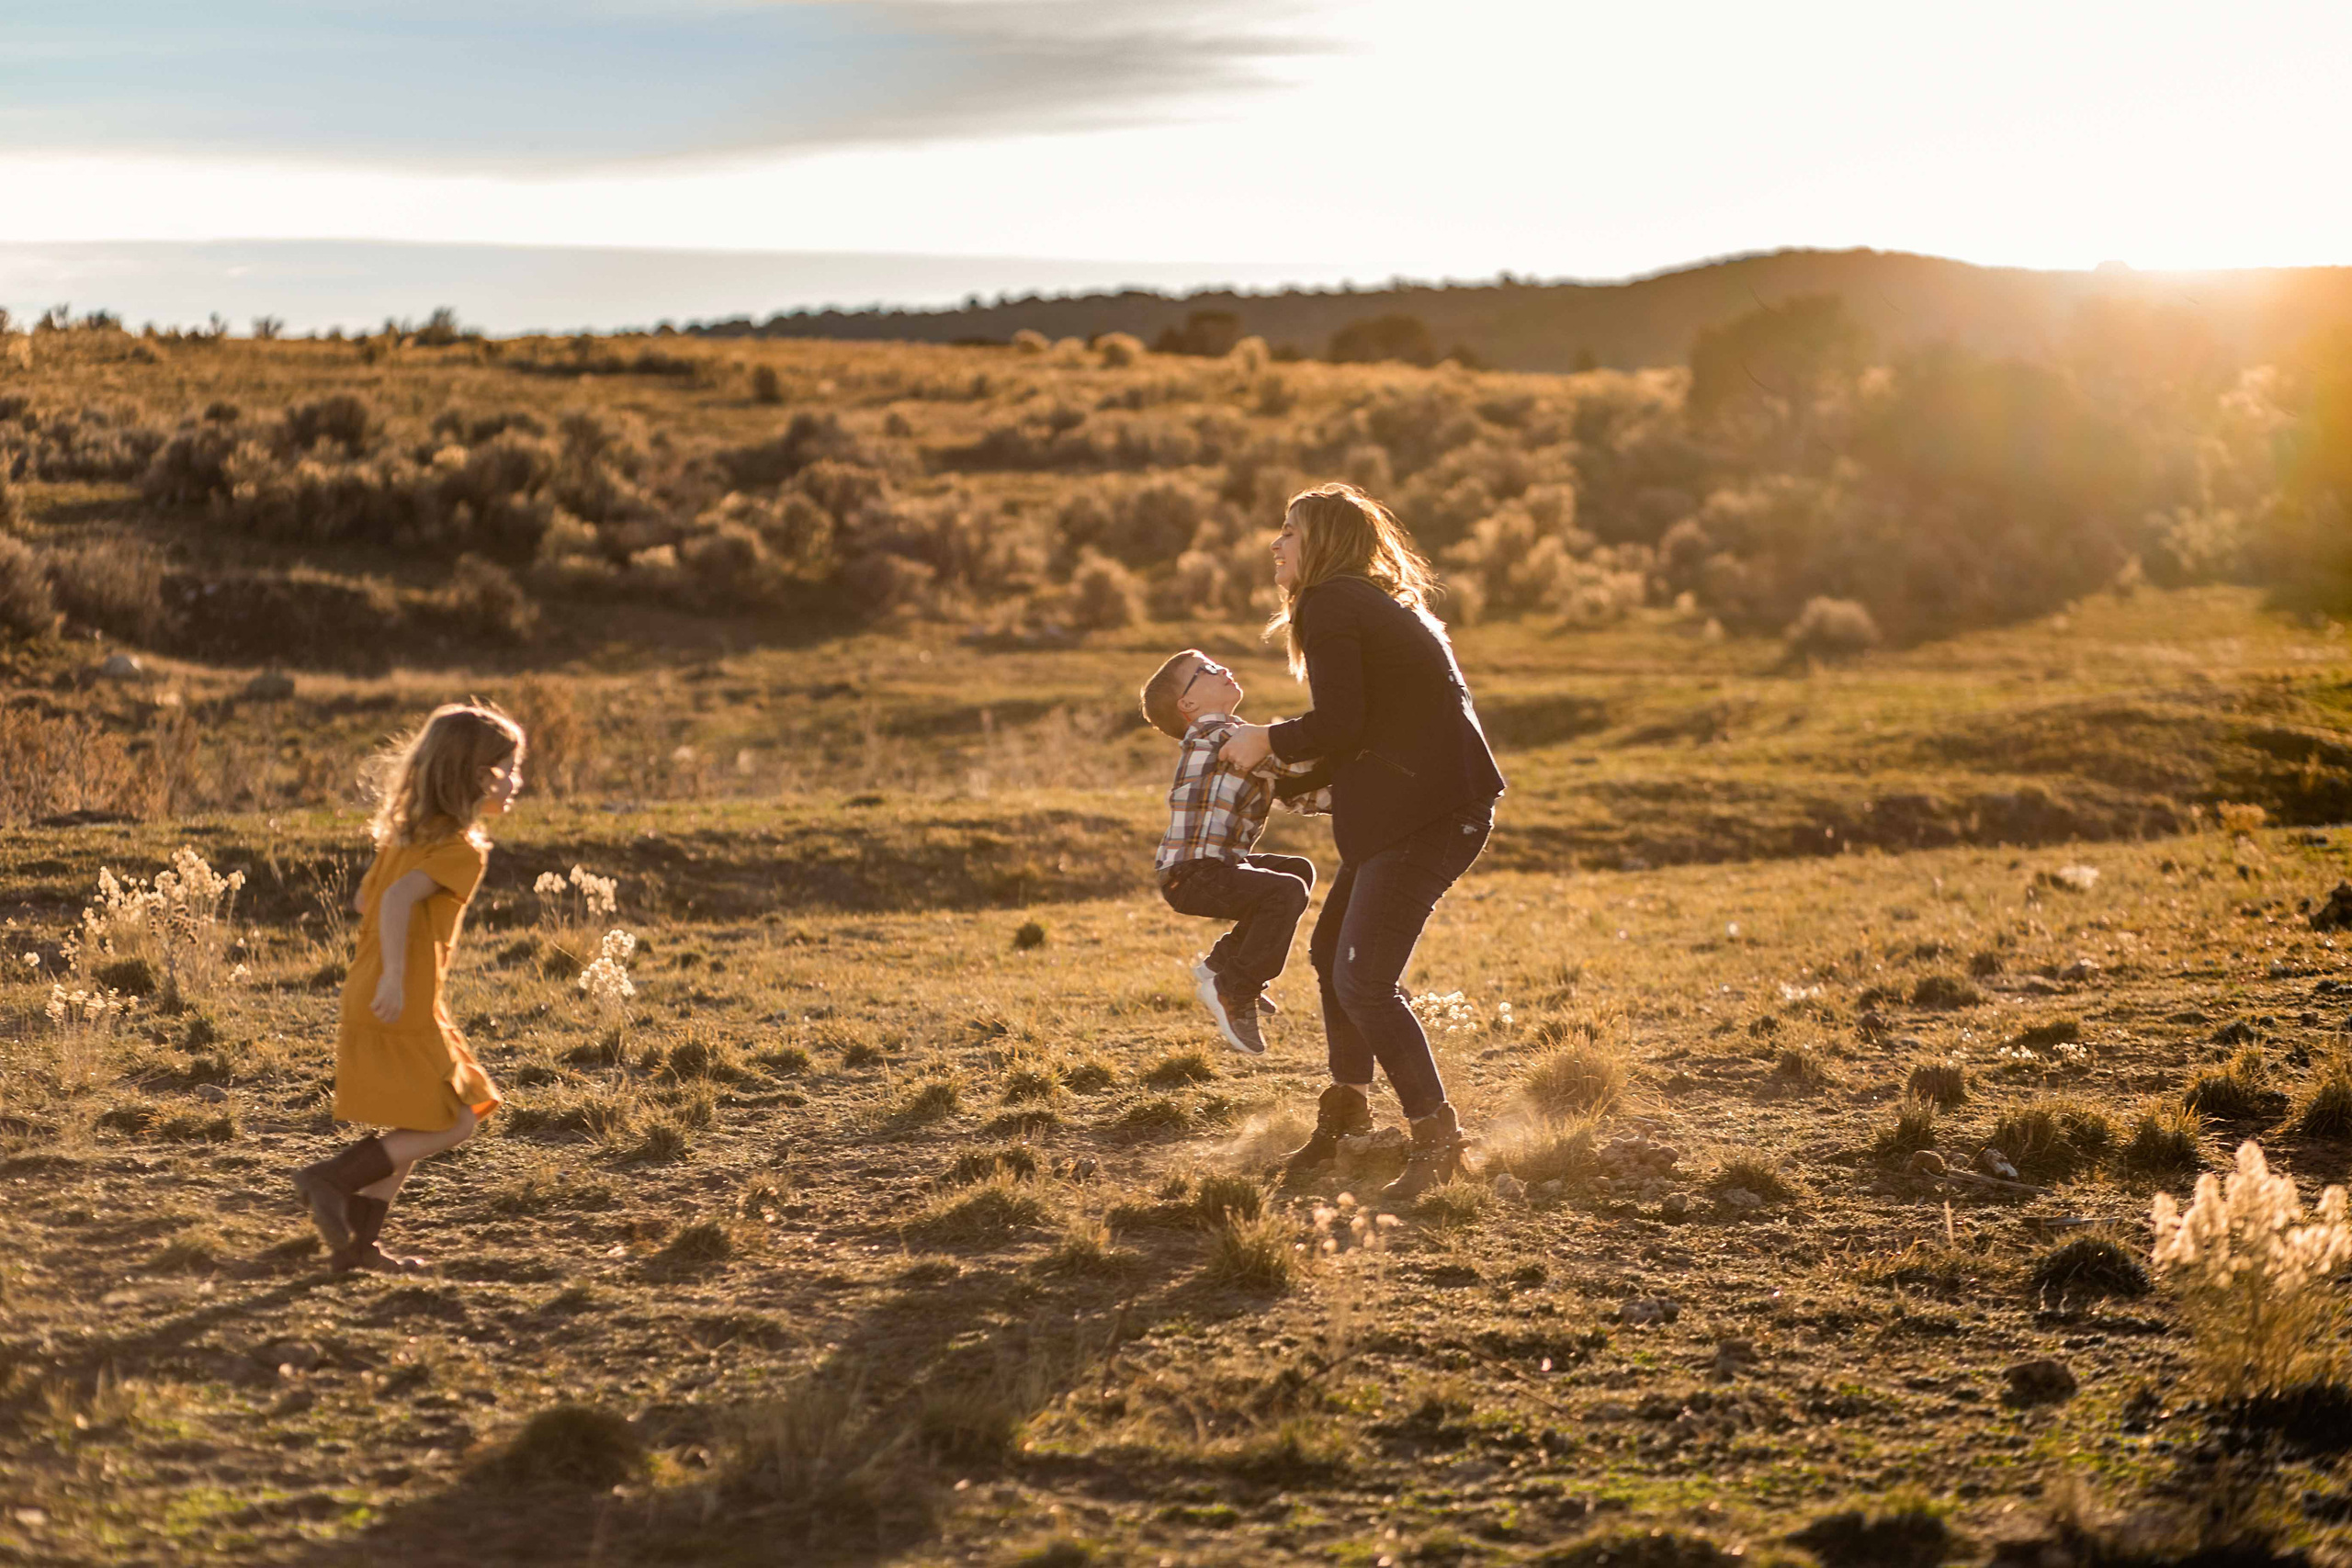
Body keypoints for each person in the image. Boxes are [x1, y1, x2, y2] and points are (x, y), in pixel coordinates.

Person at [1219, 483, 1505, 1201]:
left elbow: (1341, 722)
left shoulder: (1330, 602)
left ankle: (1438, 1140)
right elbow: (1367, 727)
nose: (1276, 544)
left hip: (1430, 814)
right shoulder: (1362, 604)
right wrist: (1291, 776)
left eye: (1290, 530)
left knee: (1364, 980)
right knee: (1332, 954)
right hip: (1419, 809)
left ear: (1322, 543)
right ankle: (1347, 1117)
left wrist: (1265, 741)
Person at [292, 702, 526, 1272]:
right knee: (456, 1118)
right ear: (480, 776)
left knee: (426, 1120)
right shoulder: (460, 851)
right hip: (401, 998)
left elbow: (365, 900)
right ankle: (330, 1179)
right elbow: (394, 900)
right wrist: (397, 976)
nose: (517, 782)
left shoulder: (405, 839)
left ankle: (358, 1247)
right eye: (511, 769)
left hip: (378, 992)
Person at [1139, 648, 1329, 1055]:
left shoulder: (1242, 739)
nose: (1221, 668)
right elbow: (1296, 764)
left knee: (1296, 870)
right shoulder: (1217, 736)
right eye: (1206, 670)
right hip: (1192, 873)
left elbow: (1297, 792)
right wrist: (1343, 741)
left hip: (1216, 866)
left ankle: (1224, 962)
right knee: (1284, 892)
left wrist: (1348, 799)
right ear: (1188, 704)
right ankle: (1235, 988)